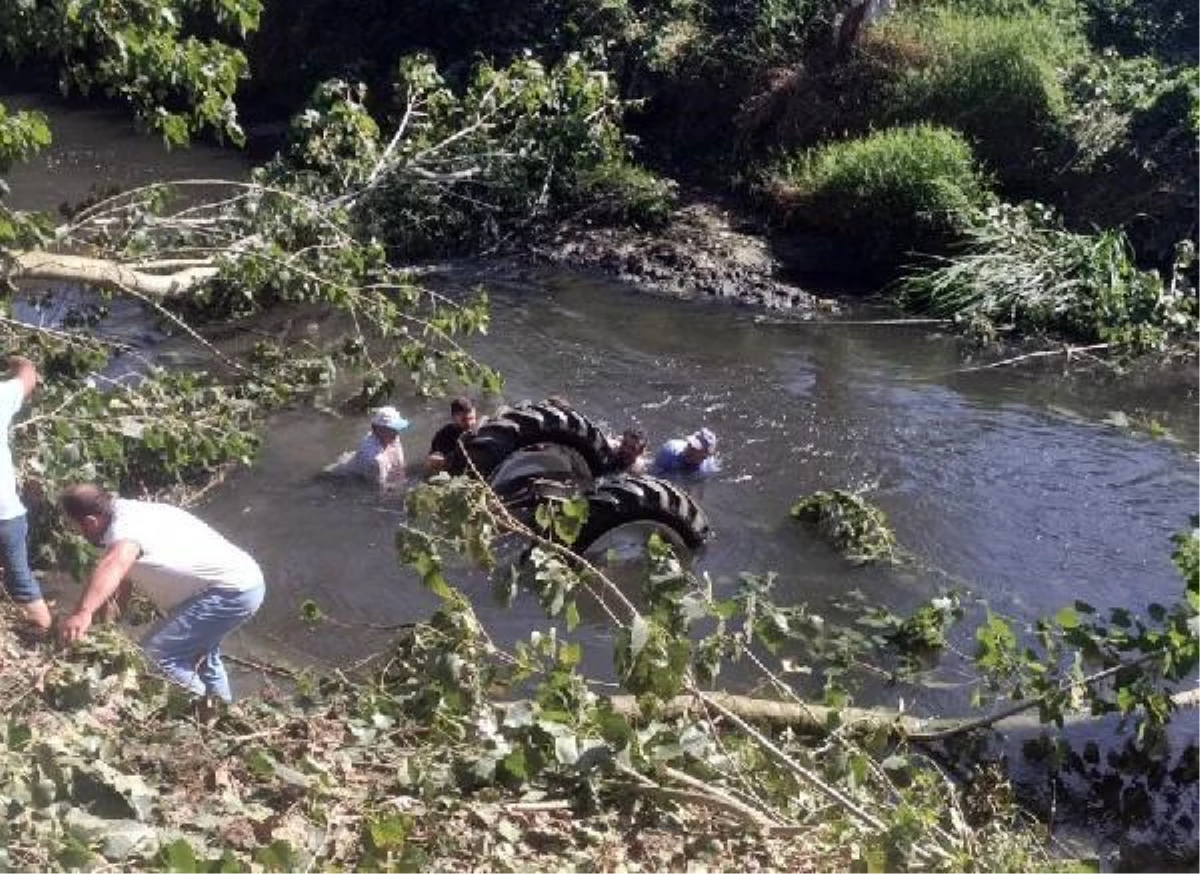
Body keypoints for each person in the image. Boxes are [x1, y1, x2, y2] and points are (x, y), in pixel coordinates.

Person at [57, 484, 265, 702]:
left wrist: (82, 612)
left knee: (155, 655)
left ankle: (204, 708)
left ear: (90, 522)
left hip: (229, 590)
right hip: (240, 581)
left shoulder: (123, 532)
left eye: (75, 527)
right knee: (200, 656)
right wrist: (105, 629)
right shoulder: (123, 510)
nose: (76, 534)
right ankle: (224, 711)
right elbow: (120, 580)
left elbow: (115, 564)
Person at [0, 355, 49, 632]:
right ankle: (43, 630)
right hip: (7, 515)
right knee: (21, 580)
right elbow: (28, 374)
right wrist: (12, 360)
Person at [324, 405, 410, 490]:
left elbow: (400, 466)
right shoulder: (375, 460)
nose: (395, 433)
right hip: (343, 475)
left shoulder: (392, 437)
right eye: (391, 429)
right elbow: (380, 488)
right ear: (377, 429)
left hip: (353, 459)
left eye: (396, 429)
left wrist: (401, 479)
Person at [426, 397, 477, 475]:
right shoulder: (444, 435)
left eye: (471, 419)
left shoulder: (482, 428)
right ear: (454, 418)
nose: (469, 424)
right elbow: (434, 459)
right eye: (464, 420)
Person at [653, 427, 719, 477]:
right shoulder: (668, 452)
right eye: (690, 444)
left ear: (705, 456)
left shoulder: (707, 468)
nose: (689, 449)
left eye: (695, 448)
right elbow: (654, 473)